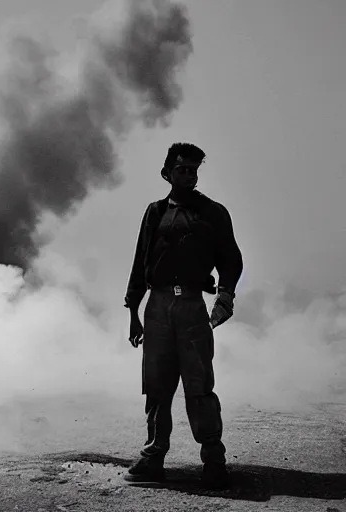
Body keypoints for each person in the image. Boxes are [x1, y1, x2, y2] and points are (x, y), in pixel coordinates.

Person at [123, 142, 243, 490]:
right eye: (182, 170)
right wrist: (134, 310)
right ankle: (153, 457)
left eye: (194, 170)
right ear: (167, 174)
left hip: (192, 306)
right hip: (157, 306)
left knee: (199, 385)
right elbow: (140, 261)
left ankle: (214, 462)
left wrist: (226, 296)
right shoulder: (155, 212)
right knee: (157, 386)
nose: (189, 175)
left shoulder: (213, 213)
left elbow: (231, 259)